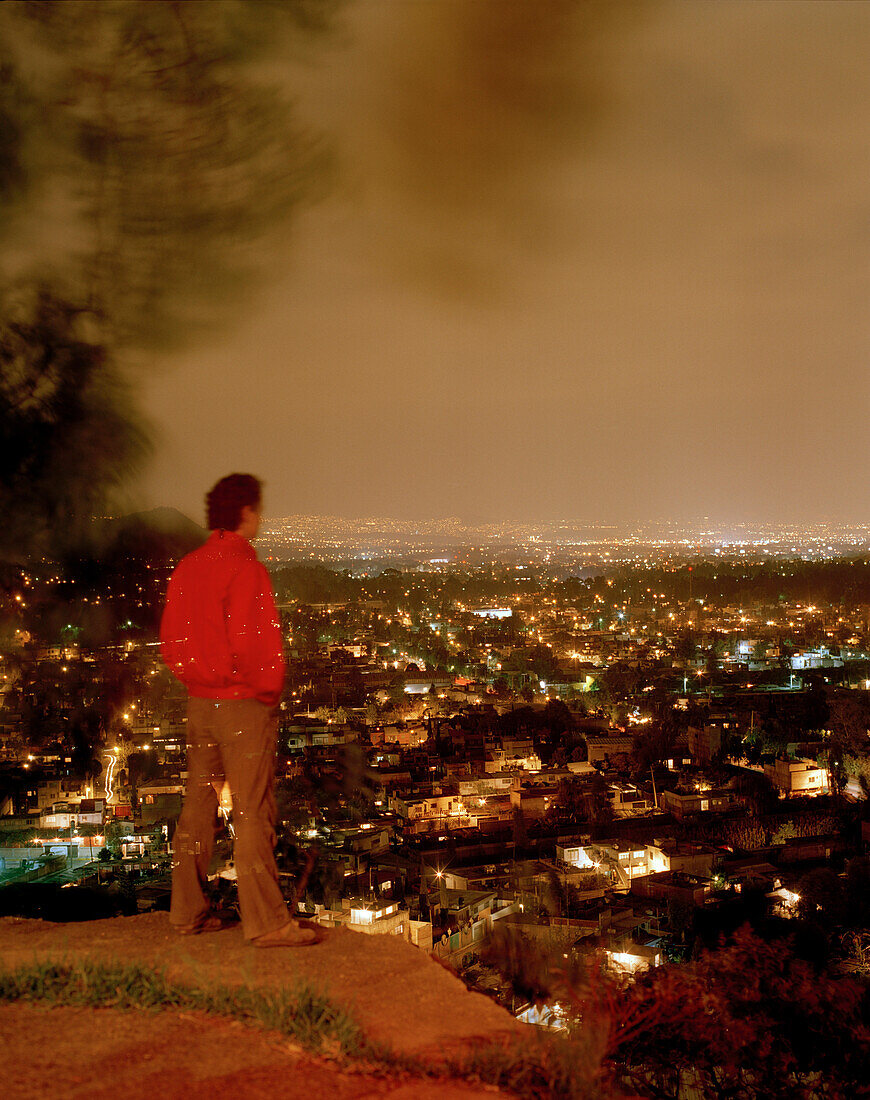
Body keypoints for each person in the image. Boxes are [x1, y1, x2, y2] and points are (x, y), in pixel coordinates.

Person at [160, 473, 318, 947]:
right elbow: (255, 643)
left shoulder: (189, 566)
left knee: (198, 803)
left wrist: (197, 678)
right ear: (245, 511)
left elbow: (171, 639)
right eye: (257, 508)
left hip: (199, 702)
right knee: (252, 810)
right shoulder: (245, 568)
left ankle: (186, 911)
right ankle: (266, 922)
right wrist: (266, 690)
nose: (260, 517)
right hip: (242, 705)